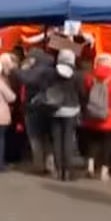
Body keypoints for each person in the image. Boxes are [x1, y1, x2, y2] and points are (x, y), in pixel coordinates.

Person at [82, 53, 111, 181]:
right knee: (108, 145)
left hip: (92, 116)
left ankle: (90, 167)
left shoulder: (89, 78)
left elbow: (85, 95)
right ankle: (104, 172)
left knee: (92, 142)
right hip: (109, 118)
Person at [46, 49, 83, 181]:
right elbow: (82, 92)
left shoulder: (51, 73)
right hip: (71, 109)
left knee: (56, 140)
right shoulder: (77, 75)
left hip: (54, 108)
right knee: (68, 139)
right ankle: (67, 171)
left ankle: (58, 169)